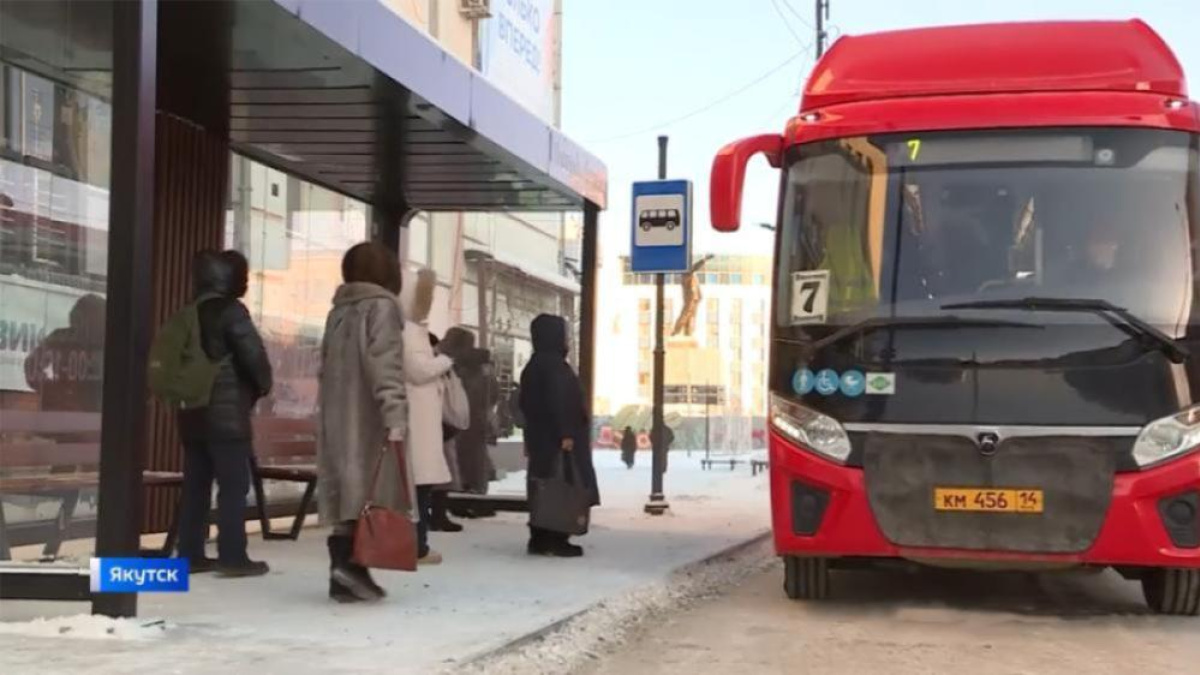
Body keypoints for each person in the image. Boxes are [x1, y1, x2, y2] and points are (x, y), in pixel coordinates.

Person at [317, 242, 411, 603]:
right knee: (370, 492)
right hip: (369, 417)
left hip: (337, 415)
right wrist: (395, 415)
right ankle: (352, 569)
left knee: (350, 492)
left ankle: (342, 572)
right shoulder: (382, 307)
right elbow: (385, 364)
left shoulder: (338, 311)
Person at [176, 250, 273, 577]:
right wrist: (262, 386)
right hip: (227, 416)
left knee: (196, 486)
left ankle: (189, 553)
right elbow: (254, 358)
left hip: (192, 414)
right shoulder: (232, 313)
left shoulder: (188, 313)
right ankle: (232, 555)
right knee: (233, 486)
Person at [519, 314, 599, 557]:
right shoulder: (554, 366)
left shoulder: (534, 364)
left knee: (543, 484)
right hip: (559, 438)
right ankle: (556, 536)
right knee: (562, 484)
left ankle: (540, 536)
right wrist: (566, 433)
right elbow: (560, 400)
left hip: (540, 436)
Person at [398, 267, 455, 563]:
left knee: (419, 485)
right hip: (416, 421)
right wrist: (445, 359)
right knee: (417, 485)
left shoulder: (409, 330)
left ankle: (417, 543)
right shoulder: (408, 332)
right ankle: (415, 546)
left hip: (419, 420)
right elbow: (418, 371)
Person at [441, 327, 497, 517]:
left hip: (457, 420)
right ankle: (475, 497)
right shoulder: (481, 366)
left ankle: (462, 498)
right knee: (473, 461)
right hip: (473, 420)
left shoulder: (453, 364)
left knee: (461, 460)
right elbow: (492, 393)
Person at [429, 332, 468, 533]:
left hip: (442, 423)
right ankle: (436, 515)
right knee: (438, 473)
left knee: (441, 472)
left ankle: (437, 514)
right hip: (438, 423)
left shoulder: (442, 365)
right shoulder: (438, 366)